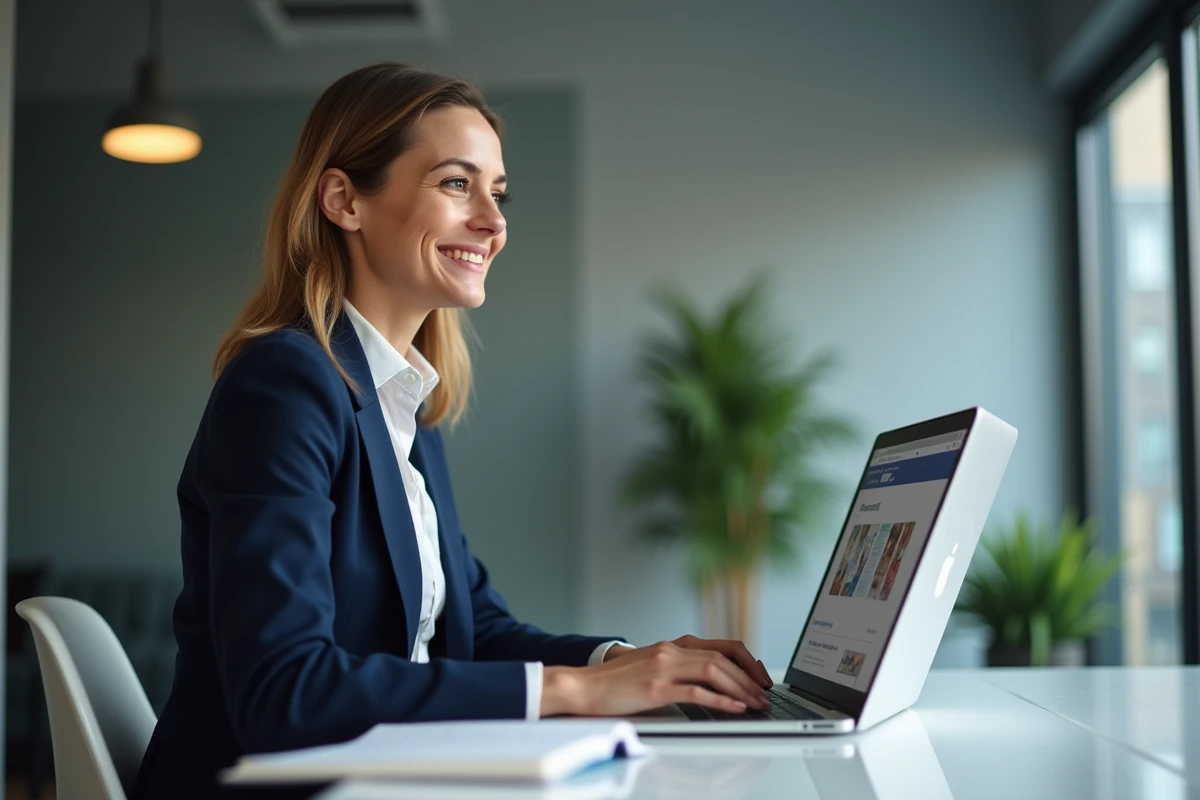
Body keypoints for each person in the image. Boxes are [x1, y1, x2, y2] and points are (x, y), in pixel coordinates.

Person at [131, 63, 773, 799]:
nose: (494, 223)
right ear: (345, 200)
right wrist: (576, 693)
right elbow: (286, 692)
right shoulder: (284, 386)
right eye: (456, 184)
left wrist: (623, 662)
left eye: (497, 193)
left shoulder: (405, 404)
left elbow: (475, 632)